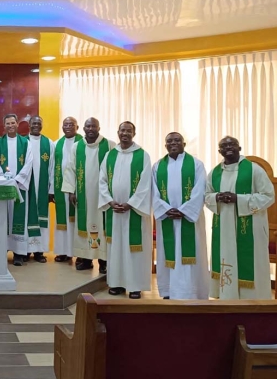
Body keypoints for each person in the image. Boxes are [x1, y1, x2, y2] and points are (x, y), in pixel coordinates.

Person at [205, 136, 275, 300]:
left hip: (250, 227)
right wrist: (217, 197)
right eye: (223, 145)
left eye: (232, 144)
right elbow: (207, 195)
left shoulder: (254, 169)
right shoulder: (215, 172)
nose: (228, 147)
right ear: (219, 150)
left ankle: (253, 298)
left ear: (239, 148)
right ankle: (226, 295)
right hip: (223, 226)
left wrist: (239, 199)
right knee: (225, 254)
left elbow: (269, 196)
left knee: (250, 261)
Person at [98, 121, 152, 299]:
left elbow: (145, 185)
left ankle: (135, 286)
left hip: (133, 212)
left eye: (129, 131)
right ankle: (117, 283)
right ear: (118, 132)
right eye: (122, 130)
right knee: (116, 249)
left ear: (134, 133)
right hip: (115, 211)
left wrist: (131, 203)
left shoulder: (142, 155)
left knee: (134, 250)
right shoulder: (110, 155)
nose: (125, 134)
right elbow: (102, 180)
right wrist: (110, 202)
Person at [152, 132, 209, 300]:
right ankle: (169, 291)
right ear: (165, 145)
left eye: (177, 140)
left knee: (191, 255)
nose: (173, 143)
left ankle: (192, 292)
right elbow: (153, 191)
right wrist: (165, 209)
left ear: (184, 143)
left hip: (189, 220)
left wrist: (184, 210)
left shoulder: (196, 165)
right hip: (167, 218)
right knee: (169, 255)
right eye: (169, 141)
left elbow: (200, 190)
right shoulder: (157, 166)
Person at [61, 117, 115, 273]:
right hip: (83, 195)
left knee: (103, 225)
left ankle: (104, 260)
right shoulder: (77, 147)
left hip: (104, 196)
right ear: (83, 129)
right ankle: (85, 258)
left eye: (94, 126)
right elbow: (70, 169)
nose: (91, 129)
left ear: (99, 128)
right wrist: (71, 191)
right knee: (83, 224)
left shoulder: (109, 145)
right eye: (88, 126)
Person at [0, 114, 38, 266]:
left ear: (17, 124)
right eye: (7, 123)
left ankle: (18, 253)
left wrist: (17, 180)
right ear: (4, 126)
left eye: (12, 123)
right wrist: (4, 180)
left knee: (18, 217)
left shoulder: (25, 143)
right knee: (3, 217)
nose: (10, 125)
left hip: (19, 186)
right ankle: (2, 250)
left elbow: (29, 162)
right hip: (4, 186)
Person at [52, 117, 82, 264]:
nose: (68, 127)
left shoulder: (83, 143)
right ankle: (64, 252)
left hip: (79, 189)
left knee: (77, 221)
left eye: (71, 124)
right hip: (61, 188)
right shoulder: (57, 144)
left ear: (77, 127)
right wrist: (52, 189)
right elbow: (52, 168)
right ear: (62, 127)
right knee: (62, 221)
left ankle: (80, 253)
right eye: (65, 125)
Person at [27, 116, 55, 263]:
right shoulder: (23, 141)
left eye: (39, 123)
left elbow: (52, 167)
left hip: (42, 188)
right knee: (27, 216)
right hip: (27, 187)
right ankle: (25, 249)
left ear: (42, 125)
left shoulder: (49, 143)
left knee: (41, 218)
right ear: (29, 125)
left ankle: (39, 251)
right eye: (34, 123)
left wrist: (51, 189)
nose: (36, 125)